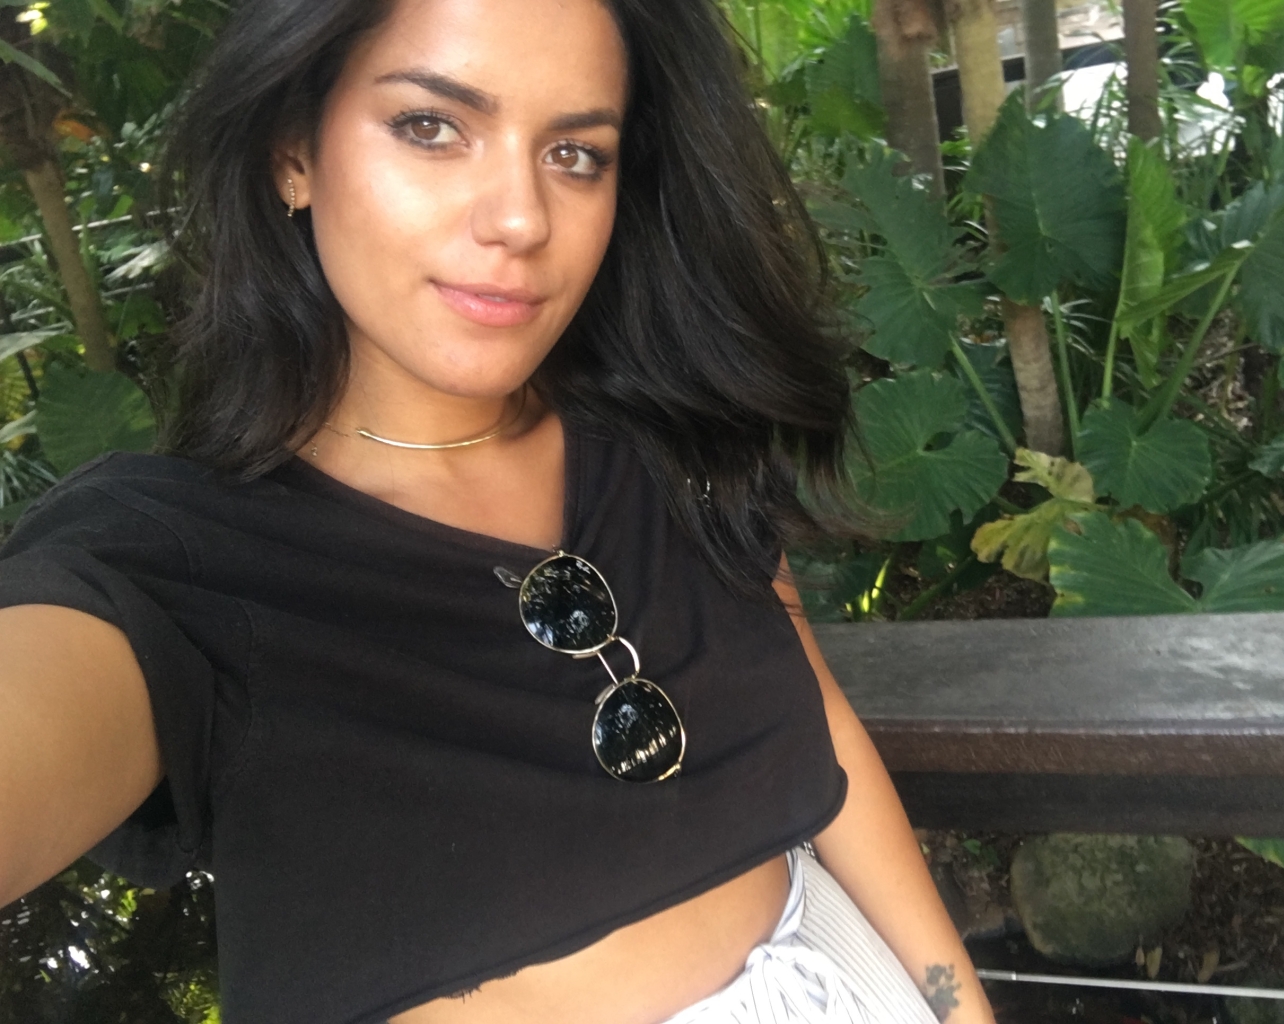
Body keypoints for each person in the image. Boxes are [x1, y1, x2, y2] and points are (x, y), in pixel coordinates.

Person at [0, 0, 998, 1021]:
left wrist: (958, 1006)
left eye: (574, 153)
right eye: (431, 126)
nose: (521, 219)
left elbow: (815, 717)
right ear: (293, 153)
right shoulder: (177, 567)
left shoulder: (666, 431)